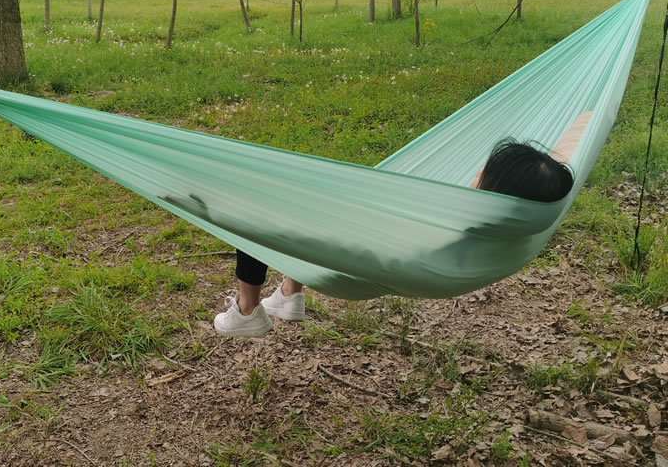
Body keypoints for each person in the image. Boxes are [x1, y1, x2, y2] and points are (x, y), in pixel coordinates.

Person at [213, 112, 592, 337]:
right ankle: (289, 294)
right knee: (314, 207)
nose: (477, 170)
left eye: (485, 171)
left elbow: (352, 238)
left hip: (345, 256)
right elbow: (575, 136)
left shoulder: (446, 220)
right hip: (365, 249)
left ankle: (247, 311)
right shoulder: (513, 227)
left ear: (493, 189)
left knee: (252, 204)